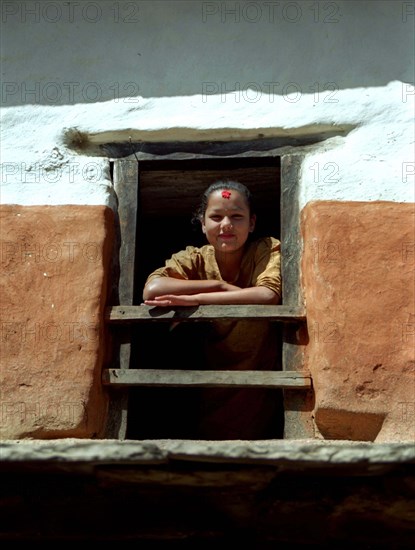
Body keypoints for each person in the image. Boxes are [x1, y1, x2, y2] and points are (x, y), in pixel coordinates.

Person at [142, 180, 283, 439]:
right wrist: (218, 285)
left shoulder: (266, 249)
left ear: (252, 223)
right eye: (216, 217)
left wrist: (199, 298)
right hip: (212, 373)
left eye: (237, 216)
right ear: (203, 222)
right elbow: (152, 290)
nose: (226, 224)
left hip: (259, 375)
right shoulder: (195, 258)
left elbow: (267, 295)